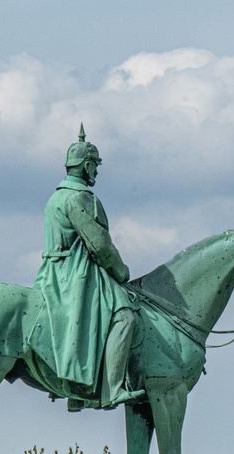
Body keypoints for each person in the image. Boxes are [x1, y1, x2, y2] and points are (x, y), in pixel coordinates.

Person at [34, 125, 144, 411]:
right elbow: (100, 246)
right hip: (77, 274)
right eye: (94, 166)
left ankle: (78, 392)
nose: (96, 172)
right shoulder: (79, 197)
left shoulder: (55, 196)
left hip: (50, 274)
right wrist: (121, 272)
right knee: (124, 316)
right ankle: (114, 389)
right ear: (85, 165)